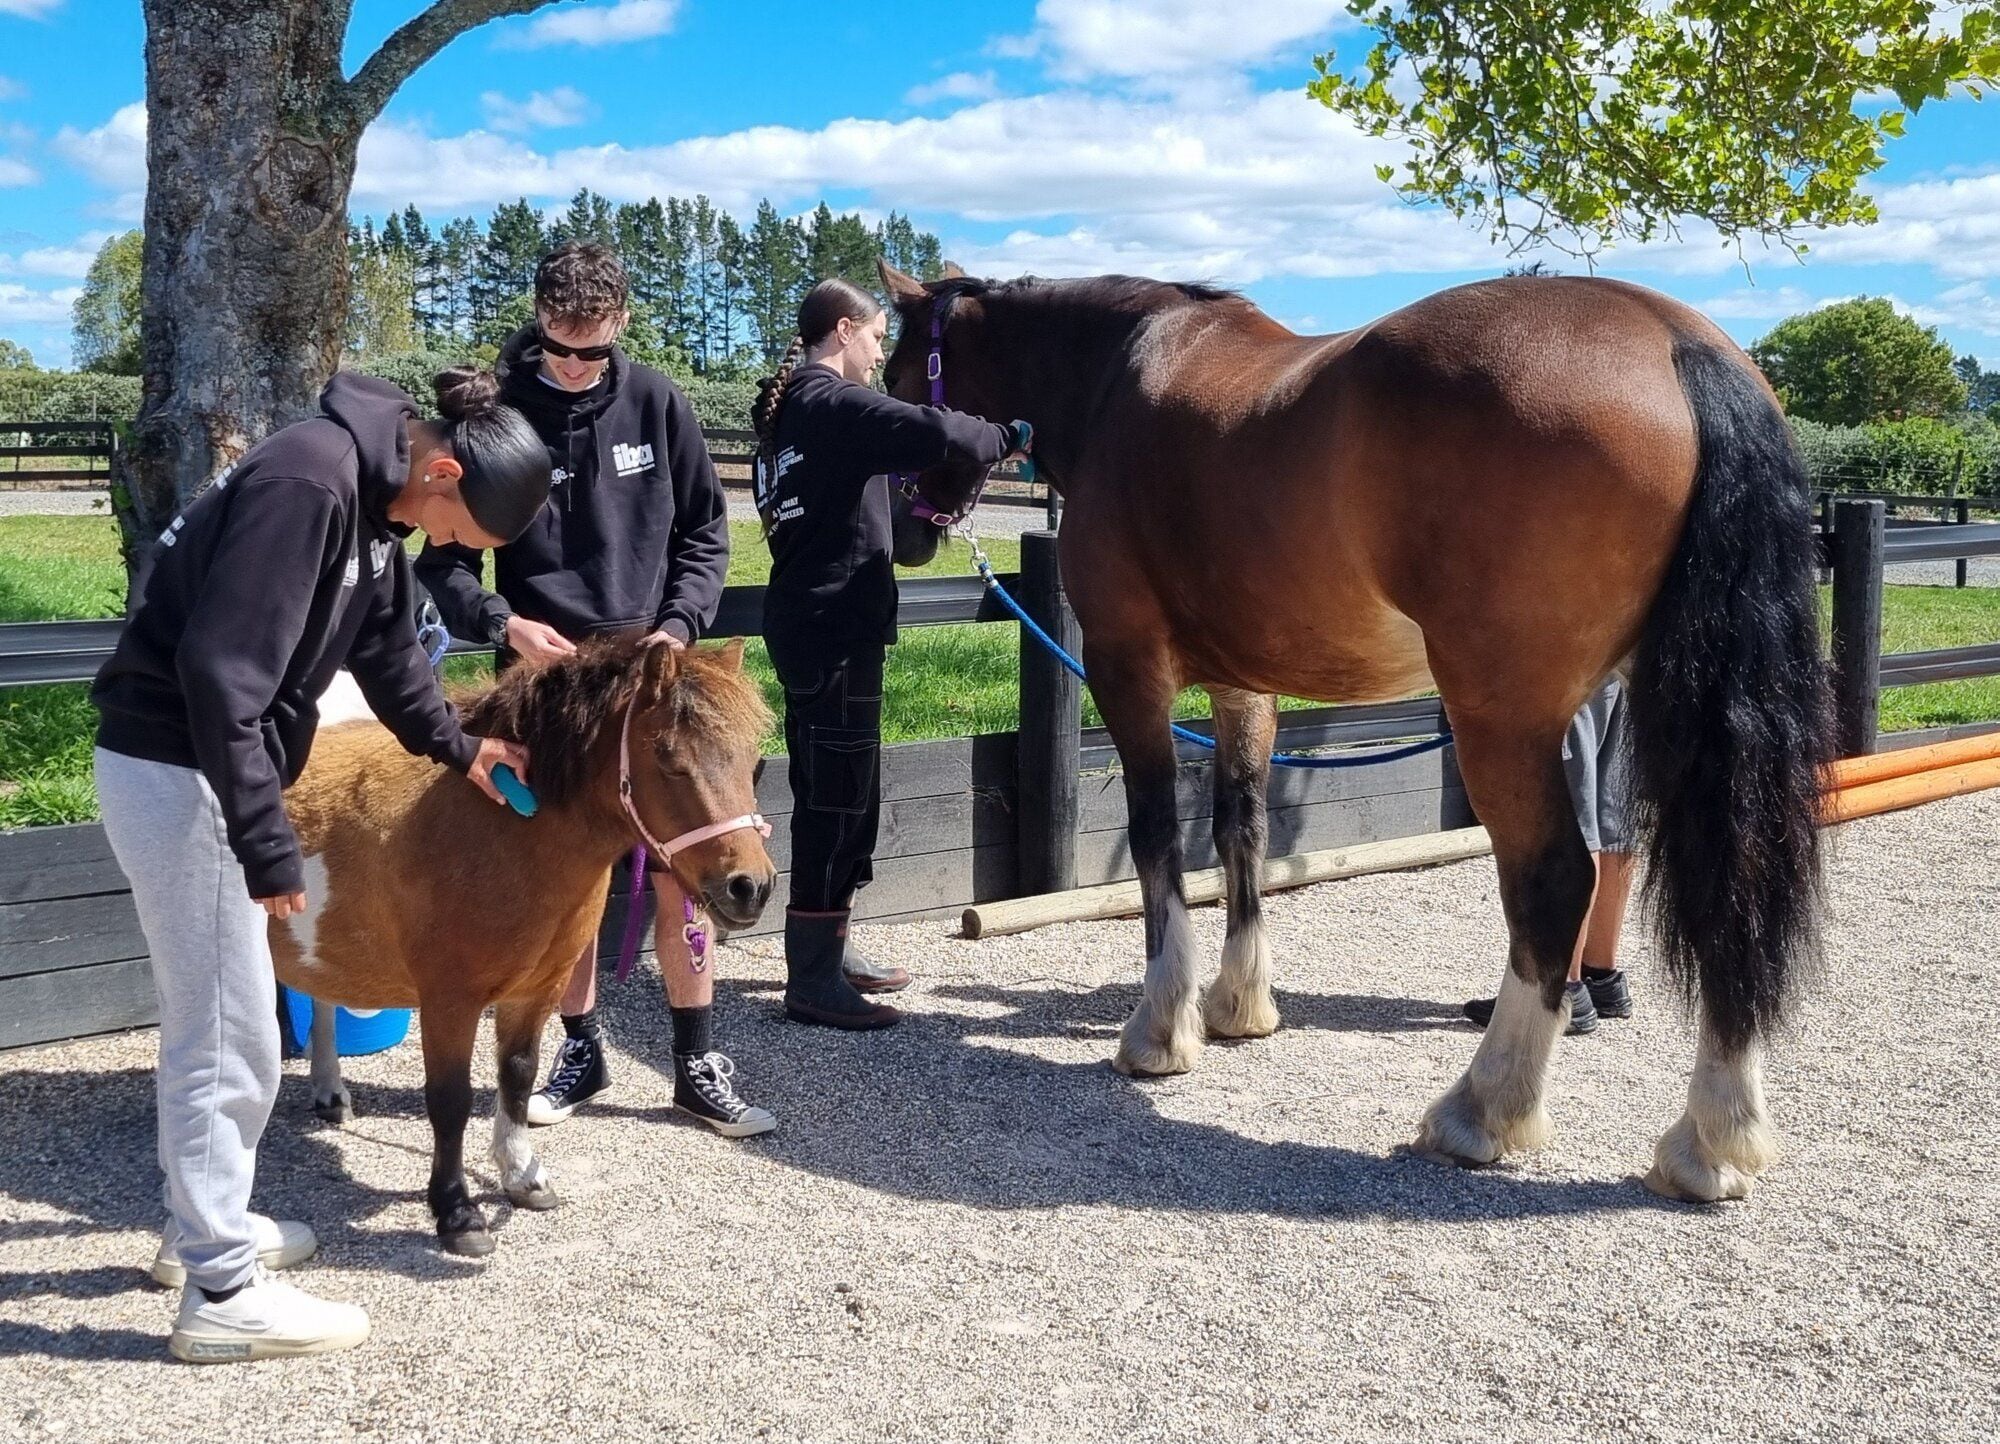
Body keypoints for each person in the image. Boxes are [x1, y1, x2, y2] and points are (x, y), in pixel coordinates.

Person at [91, 368, 549, 1363]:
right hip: (178, 769)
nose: (460, 554)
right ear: (438, 470)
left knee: (223, 1020)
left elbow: (389, 662)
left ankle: (200, 1227)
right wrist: (267, 843)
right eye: (465, 532)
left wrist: (465, 750)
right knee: (231, 1032)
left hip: (199, 766)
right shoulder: (310, 483)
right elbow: (222, 676)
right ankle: (219, 1289)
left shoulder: (372, 516)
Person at [415, 242, 770, 1138]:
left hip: (655, 677)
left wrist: (680, 626)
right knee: (562, 878)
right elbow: (445, 560)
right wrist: (504, 626)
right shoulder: (495, 411)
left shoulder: (656, 400)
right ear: (537, 318)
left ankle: (695, 1061)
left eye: (593, 350)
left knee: (690, 866)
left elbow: (705, 532)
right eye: (560, 348)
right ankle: (580, 1047)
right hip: (546, 690)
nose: (575, 369)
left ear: (621, 324)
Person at [751, 278, 1031, 1029]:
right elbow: (937, 432)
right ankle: (811, 981)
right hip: (835, 627)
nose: (880, 355)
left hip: (815, 623)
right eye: (877, 339)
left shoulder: (790, 417)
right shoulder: (828, 402)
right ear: (844, 331)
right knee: (837, 801)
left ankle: (829, 947)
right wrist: (1010, 435)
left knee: (839, 793)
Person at [1463, 677, 1637, 1034]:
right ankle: (1602, 977)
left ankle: (1565, 987)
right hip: (1629, 648)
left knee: (1573, 813)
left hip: (1575, 654)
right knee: (1611, 813)